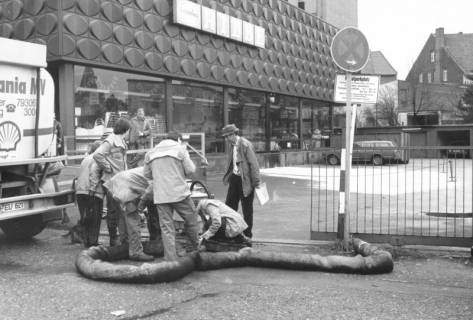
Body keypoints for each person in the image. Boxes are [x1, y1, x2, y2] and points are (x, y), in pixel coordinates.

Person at [143, 131, 200, 261]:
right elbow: (190, 170)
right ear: (178, 139)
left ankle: (170, 259)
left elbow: (146, 174)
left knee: (167, 228)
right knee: (191, 219)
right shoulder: (181, 149)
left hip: (161, 195)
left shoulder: (151, 152)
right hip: (179, 193)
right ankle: (194, 248)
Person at [93, 117, 131, 246]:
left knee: (121, 210)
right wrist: (108, 167)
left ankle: (122, 238)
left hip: (120, 180)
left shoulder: (121, 142)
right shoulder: (110, 141)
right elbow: (97, 155)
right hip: (111, 181)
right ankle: (113, 238)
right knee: (114, 211)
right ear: (125, 130)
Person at [103, 167, 155, 261]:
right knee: (133, 219)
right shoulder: (158, 175)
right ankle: (136, 252)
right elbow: (148, 194)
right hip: (125, 189)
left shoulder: (148, 168)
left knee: (122, 219)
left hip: (113, 185)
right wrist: (140, 207)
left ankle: (125, 246)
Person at [221, 124, 261, 238]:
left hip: (246, 180)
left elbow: (254, 164)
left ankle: (247, 235)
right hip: (235, 178)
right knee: (229, 206)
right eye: (225, 137)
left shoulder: (245, 144)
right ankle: (230, 231)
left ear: (233, 134)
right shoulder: (232, 145)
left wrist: (256, 182)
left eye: (227, 136)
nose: (226, 139)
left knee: (247, 209)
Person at [74, 141, 103, 247]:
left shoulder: (85, 159)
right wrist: (93, 188)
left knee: (85, 217)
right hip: (92, 191)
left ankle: (86, 241)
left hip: (80, 191)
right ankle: (93, 242)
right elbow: (95, 174)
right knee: (95, 218)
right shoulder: (98, 158)